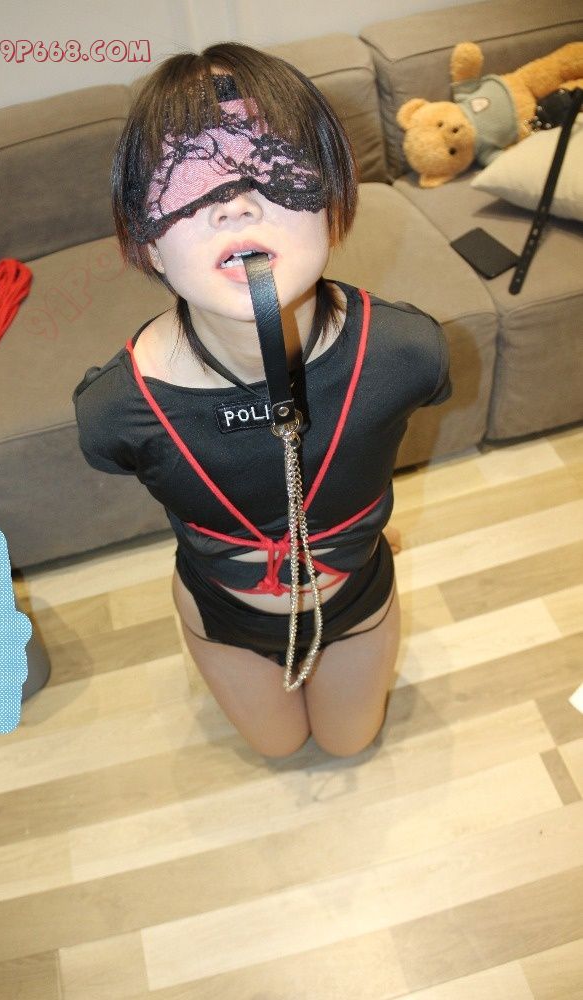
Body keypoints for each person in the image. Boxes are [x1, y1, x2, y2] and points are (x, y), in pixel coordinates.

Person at [72, 42, 452, 759]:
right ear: (147, 244)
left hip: (357, 600)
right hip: (223, 616)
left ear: (332, 202)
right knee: (276, 747)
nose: (237, 203)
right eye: (186, 176)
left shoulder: (407, 353)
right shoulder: (115, 411)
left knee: (349, 743)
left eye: (275, 164)